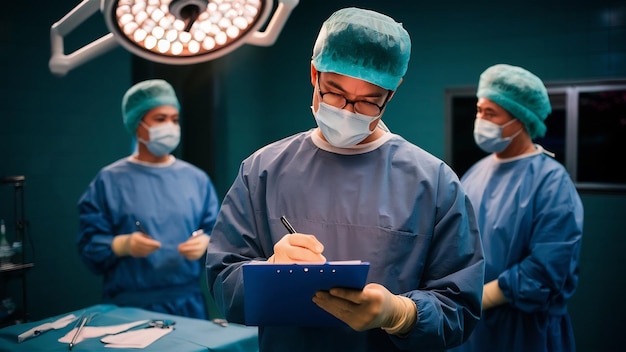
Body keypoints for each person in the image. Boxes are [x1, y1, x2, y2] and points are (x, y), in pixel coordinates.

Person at [205, 7, 485, 352]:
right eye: (335, 93)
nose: (348, 111)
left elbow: (460, 308)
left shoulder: (434, 183)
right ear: (314, 74)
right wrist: (269, 273)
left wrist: (402, 314)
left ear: (391, 95)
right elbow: (223, 278)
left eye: (368, 101)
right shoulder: (262, 169)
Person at [449, 64, 584, 352]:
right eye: (478, 110)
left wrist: (484, 296)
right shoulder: (475, 173)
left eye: (491, 113)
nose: (480, 119)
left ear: (520, 119)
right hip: (473, 330)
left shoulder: (551, 182)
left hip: (525, 332)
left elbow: (548, 269)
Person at [77, 79, 219, 319]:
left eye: (175, 119)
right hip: (128, 309)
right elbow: (89, 247)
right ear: (137, 123)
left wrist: (206, 242)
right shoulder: (110, 180)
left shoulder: (196, 179)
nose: (170, 127)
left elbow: (221, 235)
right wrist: (121, 245)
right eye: (160, 119)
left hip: (187, 305)